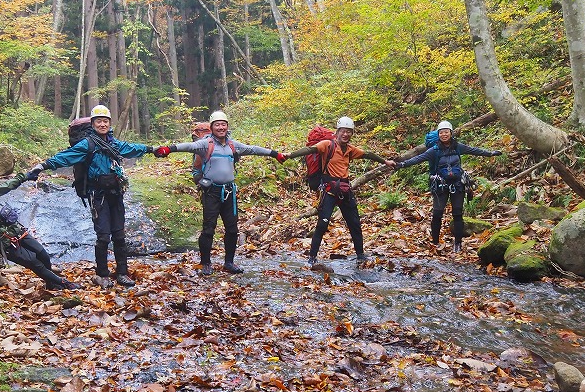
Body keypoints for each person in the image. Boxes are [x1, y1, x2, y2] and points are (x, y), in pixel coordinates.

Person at [26, 105, 154, 288]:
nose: (102, 124)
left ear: (110, 123)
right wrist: (43, 166)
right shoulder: (88, 144)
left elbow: (133, 148)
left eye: (105, 121)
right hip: (98, 195)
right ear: (93, 124)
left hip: (115, 194)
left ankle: (122, 273)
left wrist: (153, 149)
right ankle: (102, 274)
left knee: (119, 235)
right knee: (103, 237)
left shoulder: (114, 143)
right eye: (99, 121)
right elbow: (66, 157)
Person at [154, 110, 285, 276]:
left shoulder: (233, 145)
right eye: (217, 125)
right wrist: (169, 149)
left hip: (229, 192)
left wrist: (275, 154)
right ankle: (205, 263)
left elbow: (253, 149)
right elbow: (188, 147)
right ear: (212, 127)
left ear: (227, 126)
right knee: (209, 229)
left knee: (232, 229)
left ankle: (229, 262)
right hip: (211, 192)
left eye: (223, 124)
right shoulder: (205, 144)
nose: (221, 127)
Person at [286, 116, 395, 270]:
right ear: (337, 131)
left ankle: (360, 255)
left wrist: (385, 162)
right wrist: (290, 155)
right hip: (329, 191)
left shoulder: (350, 150)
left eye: (349, 132)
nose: (346, 134)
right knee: (322, 225)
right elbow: (310, 149)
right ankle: (312, 257)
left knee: (355, 223)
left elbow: (368, 154)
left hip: (345, 190)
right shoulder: (327, 145)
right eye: (344, 131)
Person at [394, 120, 500, 252]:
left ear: (451, 133)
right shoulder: (434, 151)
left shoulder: (458, 147)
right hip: (440, 185)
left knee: (457, 213)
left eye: (446, 132)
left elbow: (474, 150)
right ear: (438, 134)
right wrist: (402, 164)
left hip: (458, 184)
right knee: (437, 214)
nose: (444, 135)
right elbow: (418, 158)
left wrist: (490, 153)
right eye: (441, 132)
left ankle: (458, 243)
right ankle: (435, 241)